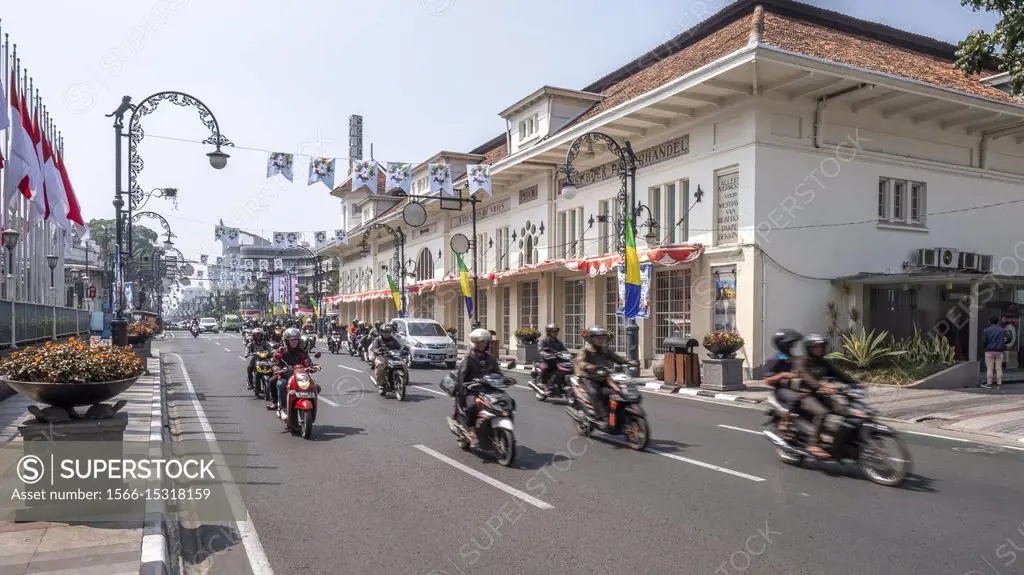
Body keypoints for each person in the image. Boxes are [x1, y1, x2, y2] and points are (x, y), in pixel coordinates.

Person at [794, 333, 856, 459]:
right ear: (809, 348)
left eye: (821, 346)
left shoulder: (823, 362)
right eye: (817, 347)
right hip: (804, 396)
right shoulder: (801, 361)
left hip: (819, 395)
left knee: (847, 411)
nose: (820, 349)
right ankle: (813, 444)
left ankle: (845, 442)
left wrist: (854, 384)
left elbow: (839, 374)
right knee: (822, 412)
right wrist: (821, 387)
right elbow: (806, 376)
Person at [574, 325, 637, 428]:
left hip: (603, 376)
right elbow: (580, 362)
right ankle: (602, 416)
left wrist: (629, 362)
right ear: (591, 338)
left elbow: (617, 359)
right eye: (598, 337)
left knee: (618, 390)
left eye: (603, 337)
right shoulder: (585, 351)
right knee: (595, 392)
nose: (601, 340)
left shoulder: (605, 350)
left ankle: (618, 413)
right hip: (587, 378)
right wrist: (588, 366)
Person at [455, 328, 501, 446]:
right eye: (480, 342)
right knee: (472, 407)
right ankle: (472, 431)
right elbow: (461, 378)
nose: (482, 344)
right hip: (472, 391)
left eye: (484, 342)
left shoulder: (490, 358)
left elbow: (498, 372)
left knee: (507, 402)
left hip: (489, 390)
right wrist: (465, 387)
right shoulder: (468, 359)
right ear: (474, 342)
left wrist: (505, 379)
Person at [267, 327, 312, 420]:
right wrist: (275, 367)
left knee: (315, 387)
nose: (294, 342)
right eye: (292, 340)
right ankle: (282, 408)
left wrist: (312, 366)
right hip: (285, 376)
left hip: (300, 376)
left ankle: (310, 406)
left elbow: (308, 361)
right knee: (280, 384)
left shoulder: (302, 352)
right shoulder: (281, 351)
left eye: (296, 339)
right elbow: (274, 361)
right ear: (287, 341)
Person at [763, 329, 802, 433]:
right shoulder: (775, 359)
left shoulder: (791, 357)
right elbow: (767, 381)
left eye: (793, 343)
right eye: (790, 343)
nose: (793, 346)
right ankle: (784, 421)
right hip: (781, 389)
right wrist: (783, 375)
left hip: (795, 386)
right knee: (794, 398)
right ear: (783, 344)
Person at [370, 324, 404, 390]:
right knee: (380, 365)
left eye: (388, 331)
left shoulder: (393, 339)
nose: (387, 333)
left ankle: (402, 379)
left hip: (392, 356)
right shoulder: (378, 339)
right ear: (381, 332)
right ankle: (380, 382)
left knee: (402, 363)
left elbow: (399, 347)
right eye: (385, 331)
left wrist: (404, 349)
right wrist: (376, 350)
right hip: (381, 356)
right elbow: (374, 348)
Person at [538, 323, 568, 392]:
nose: (556, 333)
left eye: (556, 331)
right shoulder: (543, 340)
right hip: (545, 361)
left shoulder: (558, 342)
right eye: (554, 331)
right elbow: (541, 351)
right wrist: (548, 355)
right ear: (549, 332)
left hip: (556, 361)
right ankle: (545, 386)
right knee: (545, 368)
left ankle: (560, 385)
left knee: (565, 370)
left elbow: (564, 350)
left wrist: (568, 354)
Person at [982, 316, 1010, 389]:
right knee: (999, 368)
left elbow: (984, 341)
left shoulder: (986, 330)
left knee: (990, 368)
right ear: (997, 322)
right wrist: (1004, 343)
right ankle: (999, 385)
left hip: (989, 351)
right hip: (999, 351)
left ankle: (989, 384)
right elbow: (1009, 337)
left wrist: (985, 347)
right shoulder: (1002, 330)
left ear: (989, 322)